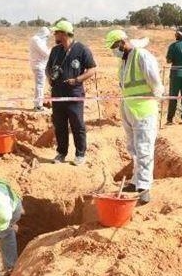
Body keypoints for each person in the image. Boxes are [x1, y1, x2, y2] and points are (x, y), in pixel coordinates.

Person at [106, 29, 163, 204]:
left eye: (115, 46)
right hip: (129, 108)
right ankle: (136, 181)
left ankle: (144, 187)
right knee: (134, 148)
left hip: (144, 109)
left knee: (144, 147)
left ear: (122, 42)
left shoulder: (141, 55)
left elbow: (155, 81)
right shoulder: (124, 60)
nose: (114, 51)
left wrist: (157, 95)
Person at [45, 20, 97, 165]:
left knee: (77, 125)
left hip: (74, 94)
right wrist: (50, 77)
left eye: (56, 32)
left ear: (64, 33)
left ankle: (80, 154)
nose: (54, 35)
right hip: (57, 95)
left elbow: (92, 69)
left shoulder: (81, 49)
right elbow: (47, 68)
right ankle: (61, 153)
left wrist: (77, 80)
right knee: (59, 125)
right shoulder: (55, 51)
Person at [28, 26, 51, 111]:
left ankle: (38, 104)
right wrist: (53, 49)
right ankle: (38, 106)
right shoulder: (36, 40)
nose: (47, 38)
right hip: (39, 66)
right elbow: (46, 53)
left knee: (40, 85)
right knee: (40, 85)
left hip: (38, 65)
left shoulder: (36, 39)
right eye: (47, 36)